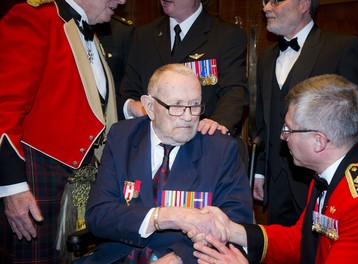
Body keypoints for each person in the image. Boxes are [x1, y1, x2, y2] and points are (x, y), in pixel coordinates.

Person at [192, 74, 358, 263]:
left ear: (318, 141)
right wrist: (230, 230)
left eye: (288, 129)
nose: (282, 136)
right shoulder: (331, 169)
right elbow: (301, 240)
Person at [83, 64, 253, 263]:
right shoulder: (122, 138)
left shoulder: (220, 150)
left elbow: (235, 225)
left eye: (195, 105)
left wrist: (180, 257)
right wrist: (163, 216)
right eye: (177, 106)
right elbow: (99, 215)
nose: (189, 116)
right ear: (149, 107)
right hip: (119, 255)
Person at [0, 0, 125, 262]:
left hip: (82, 181)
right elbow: (4, 107)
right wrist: (12, 188)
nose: (122, 1)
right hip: (35, 180)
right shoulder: (36, 17)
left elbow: (85, 105)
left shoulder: (90, 30)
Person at [253, 0, 358, 226]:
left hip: (324, 184)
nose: (266, 7)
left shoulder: (342, 48)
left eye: (276, 1)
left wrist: (350, 184)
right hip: (276, 184)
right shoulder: (266, 57)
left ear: (304, 4)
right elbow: (263, 120)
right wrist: (259, 172)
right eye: (265, 1)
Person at [118, 0, 249, 139]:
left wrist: (216, 124)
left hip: (203, 142)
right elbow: (128, 92)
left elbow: (234, 92)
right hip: (151, 145)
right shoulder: (144, 36)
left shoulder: (226, 36)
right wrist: (134, 107)